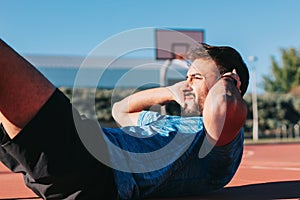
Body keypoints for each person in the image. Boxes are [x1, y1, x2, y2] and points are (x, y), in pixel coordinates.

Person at [0, 38, 249, 199]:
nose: (186, 83)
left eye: (195, 77)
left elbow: (222, 107)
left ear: (231, 82)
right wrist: (169, 92)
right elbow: (120, 110)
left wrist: (228, 82)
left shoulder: (220, 138)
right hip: (87, 151)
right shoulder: (168, 125)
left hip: (99, 170)